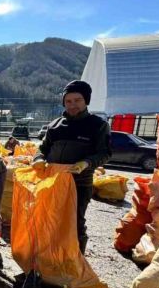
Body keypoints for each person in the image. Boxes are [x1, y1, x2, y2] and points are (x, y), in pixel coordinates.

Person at [32, 80, 111, 254]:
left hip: (79, 184)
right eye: (68, 101)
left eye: (77, 100)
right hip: (52, 183)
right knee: (49, 219)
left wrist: (87, 163)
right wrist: (38, 158)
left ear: (86, 101)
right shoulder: (55, 126)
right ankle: (49, 258)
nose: (73, 105)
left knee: (74, 222)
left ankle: (75, 261)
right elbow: (42, 149)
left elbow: (105, 153)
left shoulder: (98, 125)